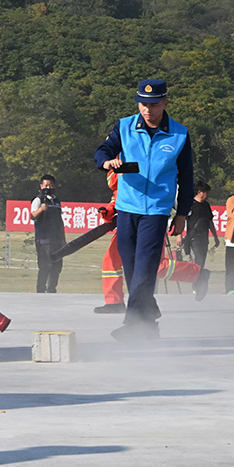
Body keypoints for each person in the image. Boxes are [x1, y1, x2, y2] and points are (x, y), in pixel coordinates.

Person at [95, 79, 194, 341]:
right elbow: (102, 151)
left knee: (145, 268)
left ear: (165, 103)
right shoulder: (124, 125)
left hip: (157, 211)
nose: (147, 109)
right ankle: (150, 324)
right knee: (131, 267)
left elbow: (187, 179)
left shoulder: (179, 134)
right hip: (127, 207)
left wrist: (182, 214)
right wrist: (107, 162)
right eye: (142, 104)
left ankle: (134, 325)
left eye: (153, 104)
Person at [95, 168, 208, 314]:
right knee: (111, 260)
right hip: (127, 226)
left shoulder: (147, 168)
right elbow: (115, 200)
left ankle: (198, 275)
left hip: (150, 222)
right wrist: (108, 213)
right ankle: (114, 302)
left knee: (154, 265)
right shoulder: (123, 186)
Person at [30, 174, 66, 293]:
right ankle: (40, 290)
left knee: (57, 267)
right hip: (44, 240)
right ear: (41, 186)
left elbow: (59, 219)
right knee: (44, 266)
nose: (48, 187)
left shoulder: (56, 200)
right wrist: (41, 209)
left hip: (57, 239)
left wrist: (63, 238)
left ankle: (52, 290)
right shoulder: (38, 200)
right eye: (46, 185)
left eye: (50, 185)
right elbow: (32, 216)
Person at [183, 182, 220, 270]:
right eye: (206, 192)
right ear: (200, 192)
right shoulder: (190, 204)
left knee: (202, 262)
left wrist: (215, 237)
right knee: (196, 263)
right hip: (193, 239)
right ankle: (196, 282)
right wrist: (179, 236)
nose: (208, 195)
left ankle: (200, 282)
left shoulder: (206, 205)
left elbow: (210, 222)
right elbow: (182, 220)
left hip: (204, 239)